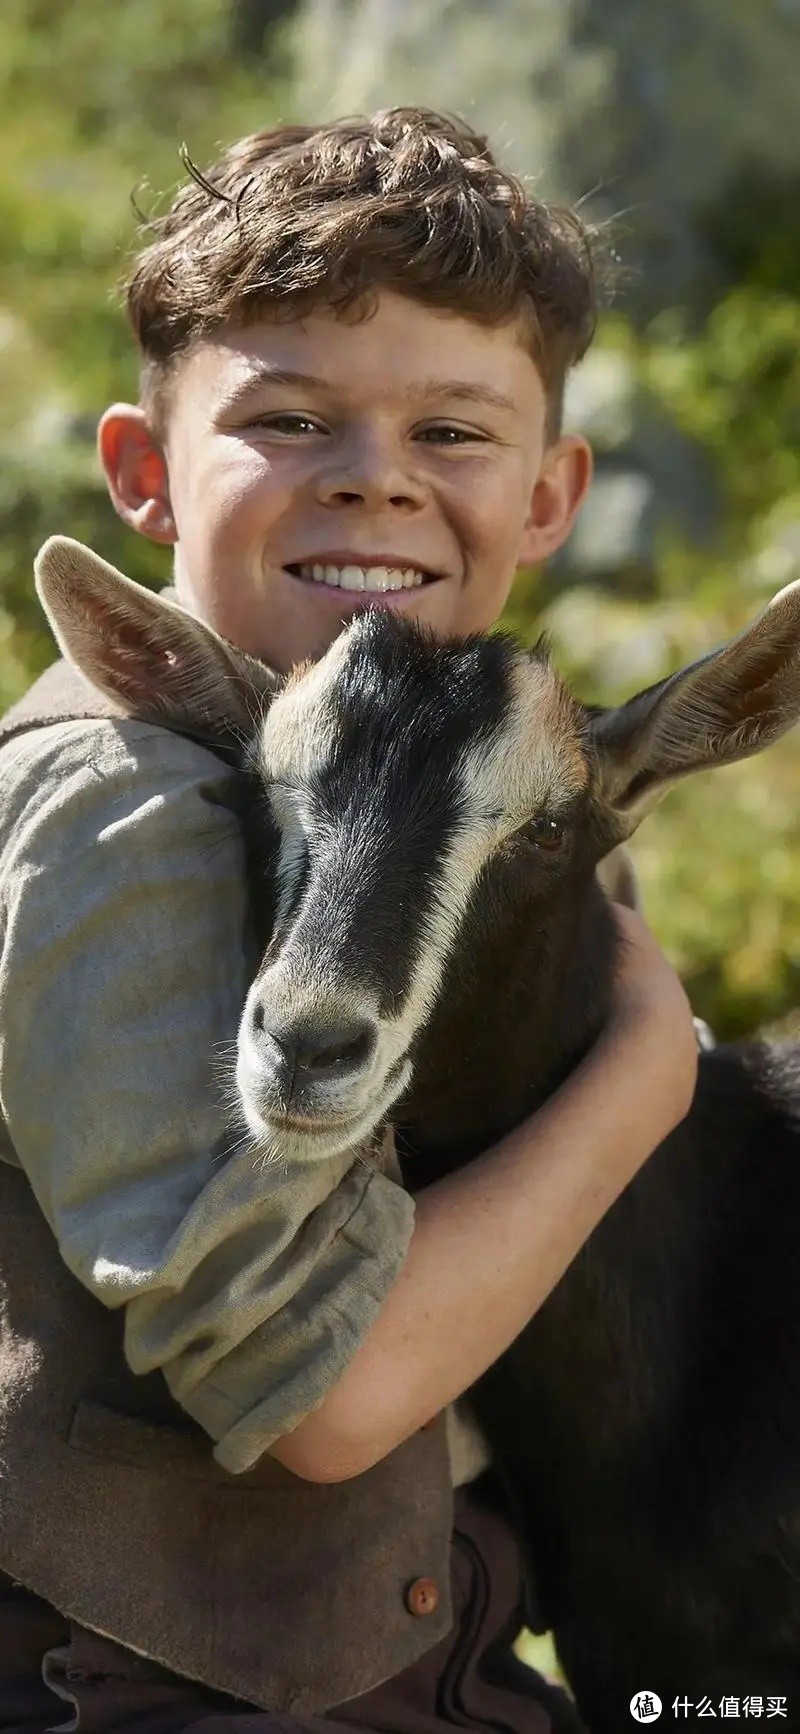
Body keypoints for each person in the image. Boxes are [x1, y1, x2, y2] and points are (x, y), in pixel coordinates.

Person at [0, 107, 698, 1733]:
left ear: (549, 497)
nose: (376, 477)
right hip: (133, 1689)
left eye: (453, 433)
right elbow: (322, 1390)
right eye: (295, 418)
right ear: (144, 476)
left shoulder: (499, 783)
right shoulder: (118, 797)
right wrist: (646, 1075)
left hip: (445, 1659)